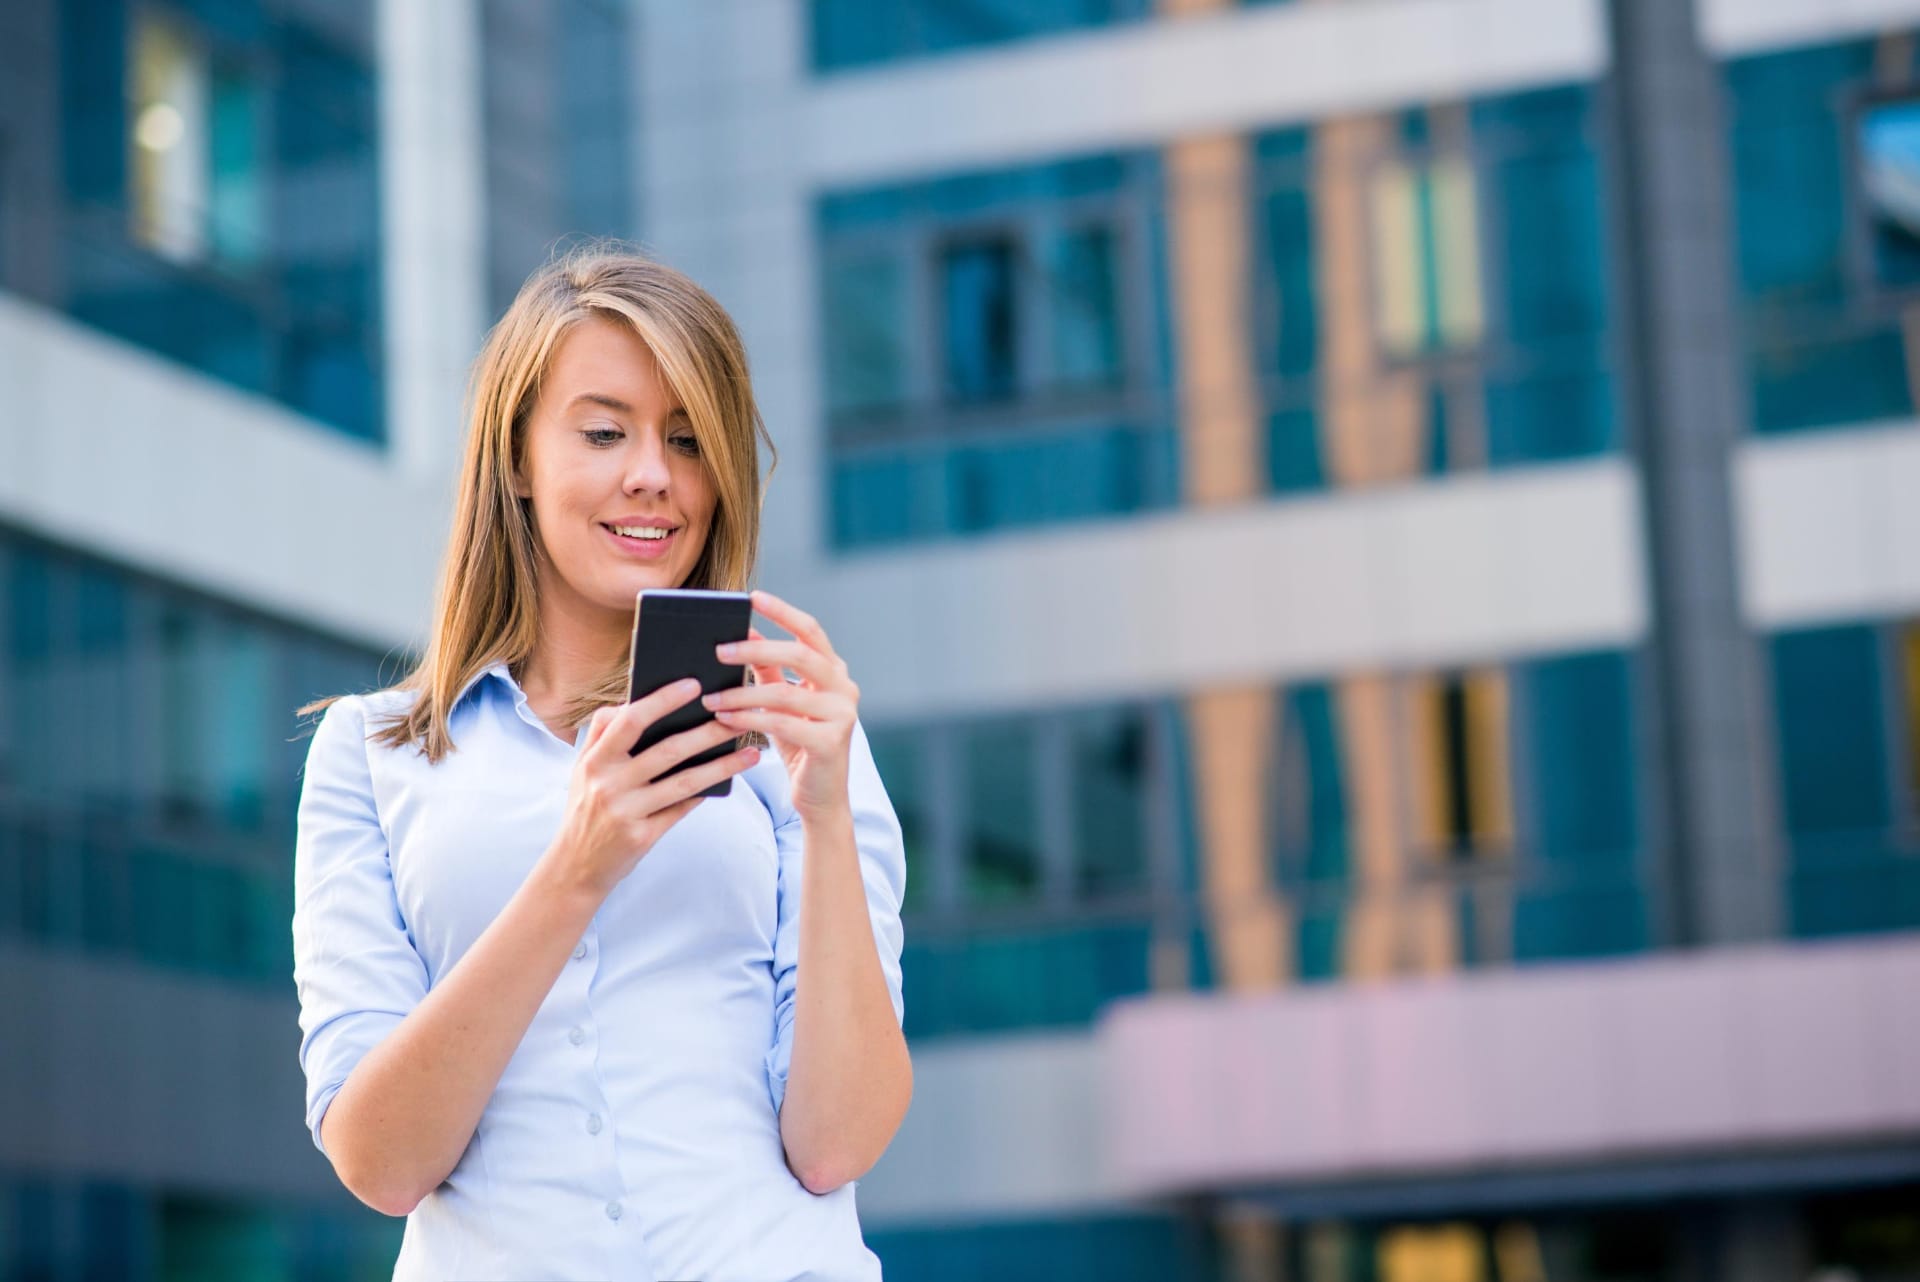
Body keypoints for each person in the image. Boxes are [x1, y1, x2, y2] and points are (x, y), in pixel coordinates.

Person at [290, 244, 912, 1281]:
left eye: (686, 439)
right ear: (517, 462)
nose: (652, 476)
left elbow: (837, 1144)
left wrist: (828, 815)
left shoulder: (796, 742)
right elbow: (381, 1160)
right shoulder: (373, 753)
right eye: (603, 431)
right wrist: (576, 867)